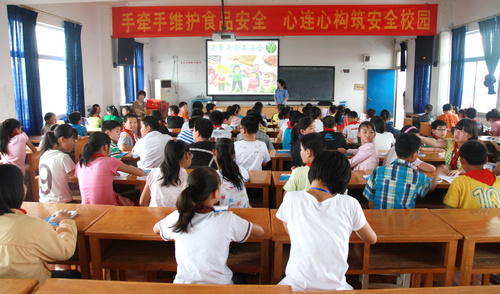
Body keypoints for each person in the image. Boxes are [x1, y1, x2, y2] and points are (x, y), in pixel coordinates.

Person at [276, 151, 377, 291]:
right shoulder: (350, 203)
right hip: (335, 288)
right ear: (343, 179)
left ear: (312, 171)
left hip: (296, 287)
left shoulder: (292, 198)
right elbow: (371, 239)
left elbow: (288, 228)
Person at [153, 167, 264, 284]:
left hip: (183, 286)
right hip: (219, 287)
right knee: (240, 277)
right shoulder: (227, 219)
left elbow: (156, 228)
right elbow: (260, 231)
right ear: (216, 193)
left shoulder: (178, 216)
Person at [0, 164, 79, 284]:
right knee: (75, 276)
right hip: (33, 287)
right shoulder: (34, 226)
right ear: (15, 190)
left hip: (6, 288)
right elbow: (65, 251)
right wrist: (65, 221)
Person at [363, 133, 445, 209]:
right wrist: (438, 174)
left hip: (377, 219)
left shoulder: (377, 171)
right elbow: (429, 188)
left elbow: (371, 204)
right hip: (404, 220)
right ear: (414, 154)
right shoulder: (419, 177)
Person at [76, 132, 145, 205]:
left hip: (85, 208)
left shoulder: (80, 164)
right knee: (132, 199)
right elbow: (140, 173)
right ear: (106, 147)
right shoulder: (109, 161)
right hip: (107, 208)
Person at [444, 140, 500, 208]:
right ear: (486, 160)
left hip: (467, 218)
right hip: (494, 218)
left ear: (461, 160)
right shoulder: (498, 181)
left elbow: (448, 210)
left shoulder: (459, 182)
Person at [139, 140, 191, 207]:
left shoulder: (154, 173)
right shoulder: (189, 179)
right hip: (178, 216)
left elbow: (143, 202)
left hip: (154, 215)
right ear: (186, 155)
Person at [38, 124, 78, 203]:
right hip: (60, 202)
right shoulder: (63, 157)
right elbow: (78, 175)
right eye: (73, 140)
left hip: (43, 201)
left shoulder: (44, 155)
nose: (74, 144)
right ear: (62, 139)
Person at [214, 138, 250, 208]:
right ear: (233, 155)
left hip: (225, 213)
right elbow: (247, 179)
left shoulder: (214, 176)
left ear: (214, 152)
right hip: (245, 210)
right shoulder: (241, 170)